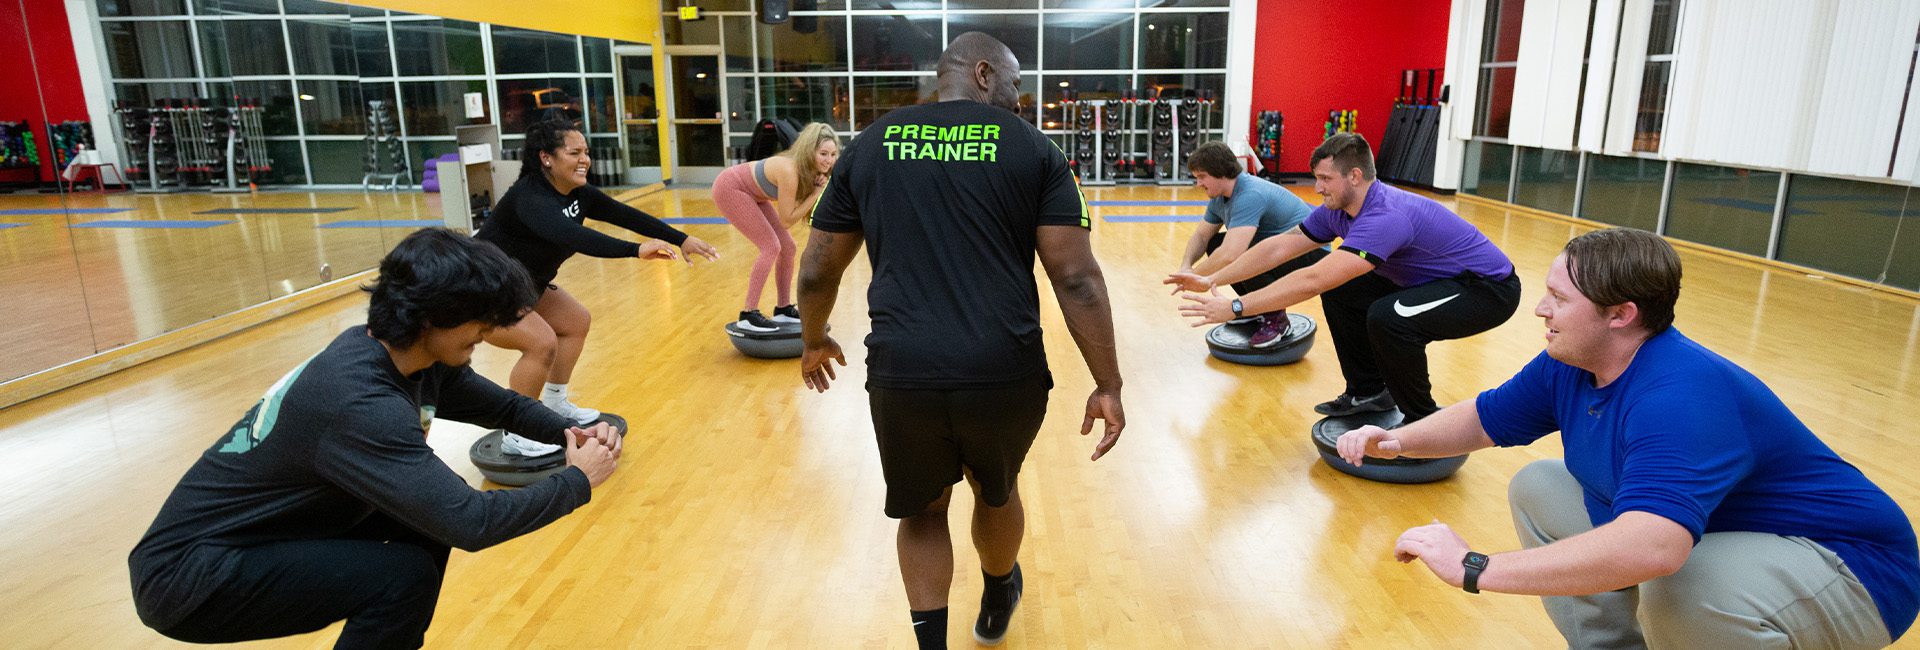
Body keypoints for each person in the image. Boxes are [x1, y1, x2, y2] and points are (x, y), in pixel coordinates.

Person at [1340, 228, 1919, 649]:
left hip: (1850, 571)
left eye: (1559, 299)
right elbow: (1482, 419)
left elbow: (1653, 549)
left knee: (1685, 583)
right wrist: (1392, 441)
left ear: (1621, 314)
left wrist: (1473, 567)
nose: (1541, 309)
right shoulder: (1574, 358)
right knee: (1541, 486)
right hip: (1729, 533)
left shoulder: (1681, 394)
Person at [129, 228, 624, 648]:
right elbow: (472, 522)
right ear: (433, 315)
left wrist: (570, 433)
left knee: (422, 525)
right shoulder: (358, 402)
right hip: (190, 577)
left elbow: (504, 406)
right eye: (480, 317)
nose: (492, 329)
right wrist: (576, 481)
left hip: (260, 537)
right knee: (402, 576)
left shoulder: (412, 356)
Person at [796, 32, 1125, 650]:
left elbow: (816, 270)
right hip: (1003, 369)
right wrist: (1107, 383)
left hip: (903, 370)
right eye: (1016, 84)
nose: (1021, 101)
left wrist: (813, 340)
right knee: (996, 493)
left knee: (922, 511)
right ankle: (1000, 590)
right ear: (982, 73)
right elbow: (1076, 277)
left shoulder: (868, 149)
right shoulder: (1036, 150)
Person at [1170, 132, 1520, 425]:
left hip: (1485, 288)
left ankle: (1422, 420)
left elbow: (1313, 279)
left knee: (1390, 318)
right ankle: (1368, 392)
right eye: (1317, 178)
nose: (1317, 188)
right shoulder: (1338, 211)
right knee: (1344, 294)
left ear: (1354, 176)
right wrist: (1211, 278)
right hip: (1430, 279)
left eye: (1325, 179)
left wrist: (1235, 307)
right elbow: (1279, 248)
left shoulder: (1384, 216)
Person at [477, 118, 719, 454]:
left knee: (575, 321)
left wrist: (681, 238)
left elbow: (624, 214)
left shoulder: (578, 193)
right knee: (541, 343)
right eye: (574, 152)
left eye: (586, 152)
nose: (584, 159)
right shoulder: (530, 198)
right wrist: (635, 250)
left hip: (525, 283)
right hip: (482, 290)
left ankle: (555, 403)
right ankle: (516, 433)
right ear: (546, 157)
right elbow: (573, 236)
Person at [1174, 140, 1324, 346]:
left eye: (1202, 177)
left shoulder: (1250, 194)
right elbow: (1201, 236)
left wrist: (1197, 278)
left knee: (1242, 254)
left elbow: (1230, 254)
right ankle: (1256, 308)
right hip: (1278, 250)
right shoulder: (1219, 198)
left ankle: (1276, 319)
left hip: (1310, 253)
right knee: (1216, 243)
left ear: (1220, 172)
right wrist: (1186, 267)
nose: (1198, 183)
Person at [712, 122, 840, 332]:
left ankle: (783, 309)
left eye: (833, 154)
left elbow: (807, 217)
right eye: (823, 153)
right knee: (771, 246)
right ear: (810, 151)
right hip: (730, 187)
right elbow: (787, 220)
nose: (829, 160)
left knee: (787, 247)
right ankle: (748, 314)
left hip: (755, 195)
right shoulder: (790, 170)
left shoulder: (811, 173)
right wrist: (816, 193)